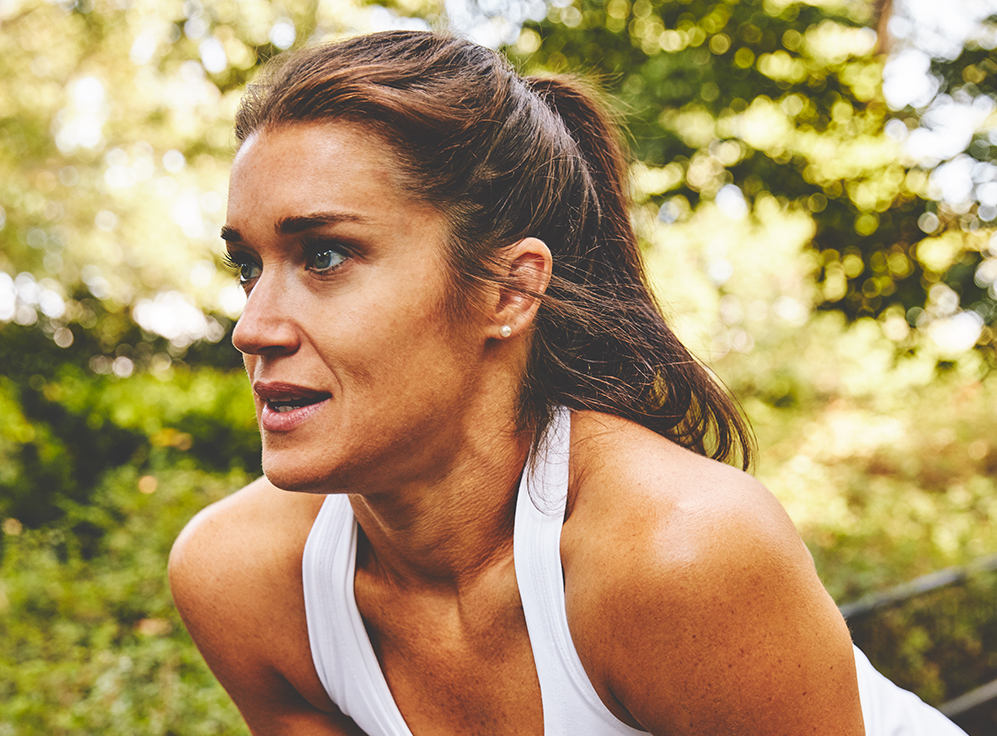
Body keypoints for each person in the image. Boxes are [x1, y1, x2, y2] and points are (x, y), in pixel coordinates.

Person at [168, 30, 968, 735]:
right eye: (248, 265)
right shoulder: (242, 580)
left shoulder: (679, 553)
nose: (253, 327)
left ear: (510, 290)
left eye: (325, 256)